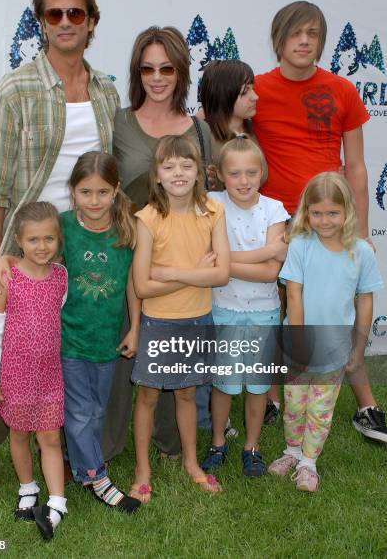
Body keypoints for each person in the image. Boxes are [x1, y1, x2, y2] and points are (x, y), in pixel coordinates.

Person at [0, 0, 119, 505]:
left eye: (76, 13)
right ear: (41, 22)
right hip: (30, 241)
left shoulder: (106, 90)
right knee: (9, 353)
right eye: (54, 14)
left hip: (86, 237)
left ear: (91, 22)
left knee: (75, 347)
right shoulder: (15, 88)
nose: (65, 22)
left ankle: (75, 451)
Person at [252, 1, 387, 439]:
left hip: (328, 219)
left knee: (336, 313)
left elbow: (359, 166)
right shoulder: (255, 90)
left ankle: (365, 405)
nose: (304, 41)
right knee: (276, 310)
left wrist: (361, 234)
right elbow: (218, 125)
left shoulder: (342, 90)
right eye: (295, 33)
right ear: (278, 40)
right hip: (276, 220)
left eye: (312, 33)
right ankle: (273, 398)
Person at [0, 153, 142, 513]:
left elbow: (133, 284)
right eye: (85, 192)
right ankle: (97, 476)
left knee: (96, 412)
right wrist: (5, 259)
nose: (94, 201)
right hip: (67, 342)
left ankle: (82, 468)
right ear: (72, 191)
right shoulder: (61, 226)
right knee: (77, 413)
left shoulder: (126, 230)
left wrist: (135, 327)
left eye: (102, 192)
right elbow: (33, 251)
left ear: (116, 190)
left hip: (106, 340)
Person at [104, 26, 213, 462]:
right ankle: (107, 446)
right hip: (122, 252)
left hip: (177, 258)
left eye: (166, 67)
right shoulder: (118, 122)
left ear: (181, 70)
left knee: (173, 348)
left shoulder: (200, 130)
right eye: (146, 68)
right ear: (136, 72)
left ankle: (172, 446)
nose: (157, 77)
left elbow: (218, 189)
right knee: (120, 356)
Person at [129, 134, 229, 502]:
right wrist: (192, 271)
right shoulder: (148, 217)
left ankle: (191, 462)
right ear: (156, 175)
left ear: (200, 172)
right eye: (169, 166)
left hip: (197, 317)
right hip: (158, 322)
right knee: (148, 397)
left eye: (186, 165)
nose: (178, 173)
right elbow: (141, 285)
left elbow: (221, 275)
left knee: (187, 393)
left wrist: (169, 273)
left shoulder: (213, 212)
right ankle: (142, 470)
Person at [268, 172, 383, 491]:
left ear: (348, 211)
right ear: (306, 211)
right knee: (294, 405)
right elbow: (293, 294)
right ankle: (291, 451)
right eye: (316, 213)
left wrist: (358, 349)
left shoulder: (361, 252)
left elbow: (365, 301)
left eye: (333, 212)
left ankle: (308, 462)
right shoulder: (301, 244)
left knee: (320, 409)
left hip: (334, 349)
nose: (324, 220)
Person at [200, 135, 289, 476]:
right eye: (235, 173)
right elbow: (265, 259)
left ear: (263, 173)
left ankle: (252, 446)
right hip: (223, 309)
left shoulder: (273, 209)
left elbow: (270, 273)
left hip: (263, 312)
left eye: (251, 172)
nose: (244, 181)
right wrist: (266, 252)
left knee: (257, 385)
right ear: (220, 174)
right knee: (223, 383)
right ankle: (218, 442)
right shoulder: (212, 204)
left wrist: (222, 262)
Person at [0, 202, 68, 539]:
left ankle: (57, 500)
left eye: (49, 239)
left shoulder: (61, 277)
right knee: (19, 434)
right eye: (33, 240)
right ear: (18, 239)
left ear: (58, 240)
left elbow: (54, 315)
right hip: (14, 374)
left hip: (48, 374)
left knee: (49, 436)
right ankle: (27, 488)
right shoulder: (7, 279)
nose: (41, 246)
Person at [200, 59, 259, 163]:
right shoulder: (201, 138)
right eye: (245, 91)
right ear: (223, 95)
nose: (255, 97)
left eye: (253, 88)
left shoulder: (259, 129)